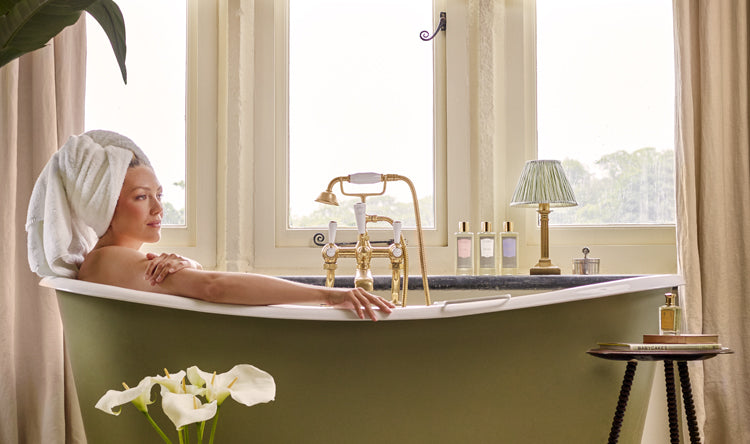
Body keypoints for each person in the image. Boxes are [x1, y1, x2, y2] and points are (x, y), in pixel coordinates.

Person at [27, 130, 394, 321]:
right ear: (105, 207)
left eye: (158, 193)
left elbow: (195, 281)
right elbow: (214, 288)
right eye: (142, 197)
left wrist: (189, 265)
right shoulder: (107, 261)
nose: (158, 207)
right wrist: (329, 295)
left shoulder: (116, 262)